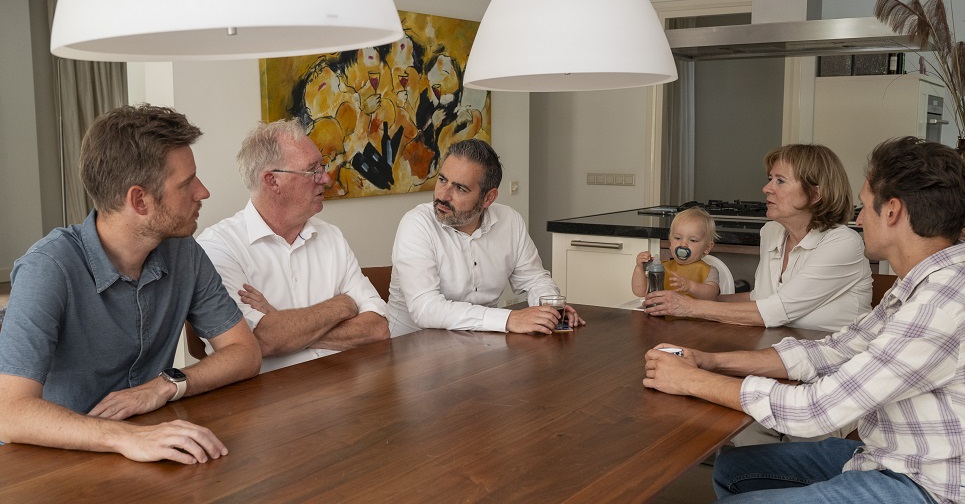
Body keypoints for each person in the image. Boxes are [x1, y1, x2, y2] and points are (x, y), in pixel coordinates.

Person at [643, 137, 965, 503]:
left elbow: (815, 410)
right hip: (895, 456)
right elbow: (832, 349)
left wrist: (693, 380)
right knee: (736, 468)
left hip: (938, 487)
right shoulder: (922, 286)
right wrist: (711, 360)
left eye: (864, 206)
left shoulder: (941, 305)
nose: (858, 220)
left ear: (891, 211)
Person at [0, 105, 261, 464]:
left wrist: (164, 385)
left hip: (151, 445)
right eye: (187, 184)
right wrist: (125, 437)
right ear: (139, 200)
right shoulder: (47, 268)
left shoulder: (184, 253)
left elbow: (244, 353)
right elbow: (9, 413)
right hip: (52, 463)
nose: (203, 192)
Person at [197, 120, 390, 373]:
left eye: (322, 166)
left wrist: (282, 322)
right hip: (263, 401)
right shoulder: (218, 248)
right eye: (312, 171)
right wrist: (342, 305)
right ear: (273, 181)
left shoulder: (330, 236)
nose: (326, 178)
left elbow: (378, 328)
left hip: (342, 388)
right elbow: (262, 341)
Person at [643, 144, 871, 333]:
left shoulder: (843, 243)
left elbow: (777, 310)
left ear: (815, 194)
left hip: (836, 359)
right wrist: (675, 301)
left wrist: (690, 307)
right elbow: (759, 298)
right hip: (781, 349)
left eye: (780, 180)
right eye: (770, 178)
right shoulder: (772, 232)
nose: (766, 188)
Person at [387, 139, 584, 337]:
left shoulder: (510, 221)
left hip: (481, 344)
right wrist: (508, 319)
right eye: (442, 180)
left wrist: (549, 309)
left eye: (460, 188)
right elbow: (425, 309)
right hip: (412, 350)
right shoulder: (416, 224)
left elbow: (535, 279)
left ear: (489, 198)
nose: (444, 195)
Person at [632, 207, 720, 300]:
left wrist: (690, 287)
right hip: (662, 313)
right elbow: (640, 291)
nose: (683, 244)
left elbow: (712, 295)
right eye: (678, 238)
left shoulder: (709, 271)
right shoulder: (661, 268)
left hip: (694, 314)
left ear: (707, 247)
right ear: (670, 243)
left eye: (693, 240)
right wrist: (639, 268)